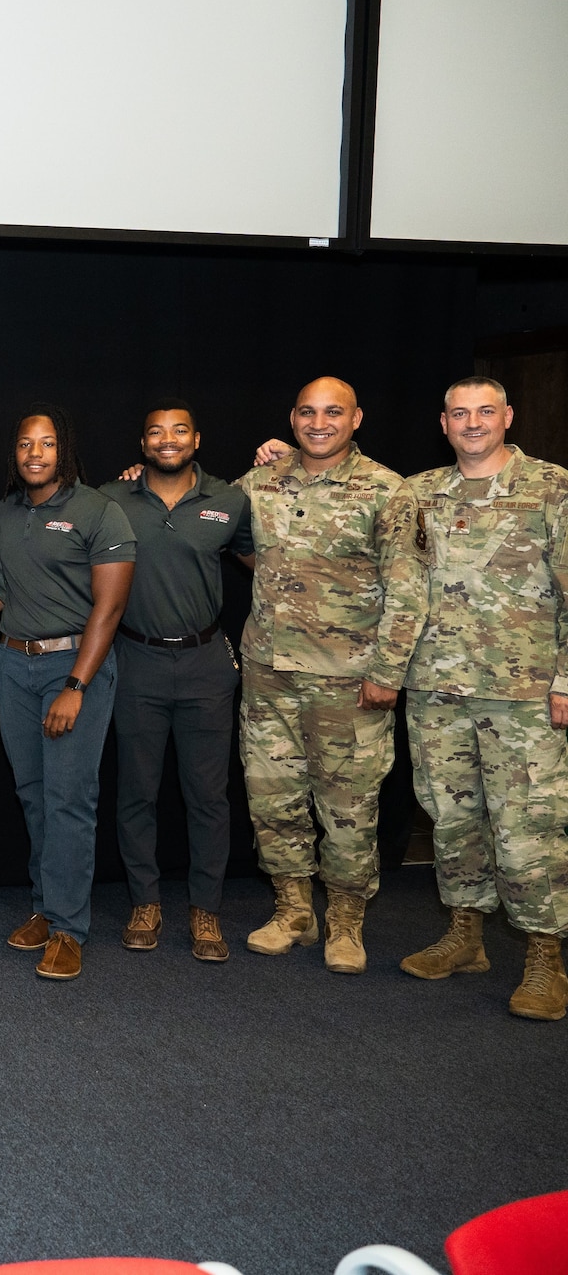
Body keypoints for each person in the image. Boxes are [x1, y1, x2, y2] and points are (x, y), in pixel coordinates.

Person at [388, 378, 568, 1020]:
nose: (472, 423)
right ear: (442, 423)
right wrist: (276, 454)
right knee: (452, 818)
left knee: (528, 828)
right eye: (459, 414)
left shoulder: (552, 486)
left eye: (484, 412)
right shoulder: (416, 492)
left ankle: (545, 958)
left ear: (507, 417)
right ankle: (466, 937)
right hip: (436, 689)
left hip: (523, 696)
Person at [239, 378, 414, 973]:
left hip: (350, 681)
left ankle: (345, 920)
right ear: (292, 419)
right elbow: (212, 523)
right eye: (308, 413)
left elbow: (408, 589)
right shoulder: (261, 482)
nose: (320, 423)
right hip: (268, 673)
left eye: (333, 412)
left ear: (356, 419)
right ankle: (293, 910)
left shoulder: (386, 490)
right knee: (273, 797)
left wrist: (388, 673)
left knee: (348, 807)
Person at [98, 400, 254, 963]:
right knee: (137, 791)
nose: (168, 440)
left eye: (179, 430)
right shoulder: (111, 499)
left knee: (208, 796)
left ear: (197, 439)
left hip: (206, 664)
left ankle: (205, 909)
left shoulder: (231, 500)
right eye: (156, 433)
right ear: (142, 446)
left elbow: (266, 564)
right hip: (136, 661)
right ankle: (145, 902)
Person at [0, 406, 135, 981]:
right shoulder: (5, 510)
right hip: (12, 665)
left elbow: (111, 606)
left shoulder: (99, 511)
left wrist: (76, 684)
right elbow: (11, 577)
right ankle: (46, 908)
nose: (34, 453)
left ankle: (70, 930)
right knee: (32, 793)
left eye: (46, 444)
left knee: (69, 799)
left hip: (73, 669)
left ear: (63, 450)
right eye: (25, 444)